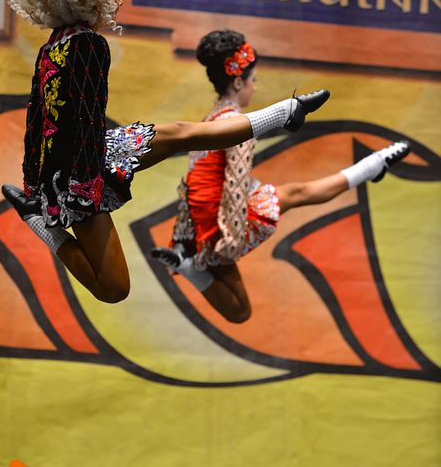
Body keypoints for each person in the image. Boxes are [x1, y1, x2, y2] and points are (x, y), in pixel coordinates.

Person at [0, 0, 329, 303]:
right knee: (115, 288)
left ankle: (287, 112)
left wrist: (34, 176)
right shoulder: (88, 45)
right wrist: (81, 197)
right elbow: (76, 123)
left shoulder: (55, 42)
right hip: (79, 174)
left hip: (80, 155)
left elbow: (40, 121)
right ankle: (39, 223)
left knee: (181, 134)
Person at [151, 30, 410, 323]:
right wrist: (231, 239)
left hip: (197, 217)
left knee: (239, 307)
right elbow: (235, 181)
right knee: (241, 308)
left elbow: (202, 177)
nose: (255, 87)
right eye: (254, 80)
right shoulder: (237, 125)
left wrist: (186, 234)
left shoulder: (212, 118)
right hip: (216, 218)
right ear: (238, 81)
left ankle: (187, 265)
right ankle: (373, 166)